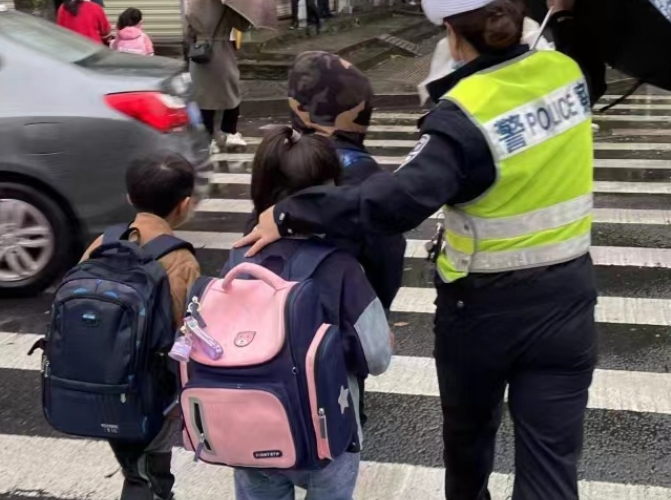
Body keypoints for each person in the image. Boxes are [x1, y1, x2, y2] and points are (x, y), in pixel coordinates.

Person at [235, 0, 597, 499]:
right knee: (552, 465)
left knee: (469, 449)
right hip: (569, 302)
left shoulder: (466, 112)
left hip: (484, 312)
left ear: (451, 32)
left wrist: (289, 213)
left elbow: (396, 201)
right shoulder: (565, 72)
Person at [229, 126, 393, 500]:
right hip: (326, 430)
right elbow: (377, 355)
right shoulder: (342, 269)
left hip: (250, 423)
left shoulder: (240, 258)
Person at [279, 50, 406, 425]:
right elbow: (386, 257)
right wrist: (376, 316)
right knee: (338, 417)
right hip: (341, 321)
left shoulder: (279, 157)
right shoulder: (367, 177)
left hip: (273, 317)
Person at [80, 152, 201, 500]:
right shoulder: (179, 260)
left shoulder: (103, 243)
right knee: (149, 475)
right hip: (150, 392)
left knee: (134, 465)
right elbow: (186, 332)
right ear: (185, 205)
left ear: (130, 198)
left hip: (98, 380)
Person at [185, 3, 251, 154]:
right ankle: (230, 132)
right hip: (222, 51)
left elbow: (188, 29)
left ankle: (207, 139)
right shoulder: (227, 4)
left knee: (203, 97)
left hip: (200, 52)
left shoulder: (193, 4)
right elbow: (242, 25)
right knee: (231, 92)